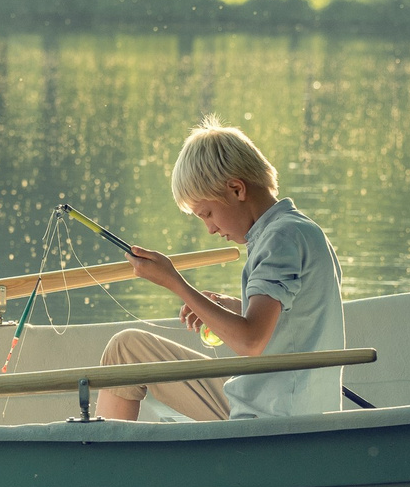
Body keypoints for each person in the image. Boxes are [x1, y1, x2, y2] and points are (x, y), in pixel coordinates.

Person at [94, 121, 347, 422]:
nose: (211, 228)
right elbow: (296, 324)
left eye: (207, 214)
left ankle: (99, 465)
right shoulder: (302, 231)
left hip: (269, 417)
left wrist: (174, 282)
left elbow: (251, 342)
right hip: (282, 403)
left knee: (125, 353)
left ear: (237, 189)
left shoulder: (280, 239)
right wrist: (237, 308)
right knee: (127, 348)